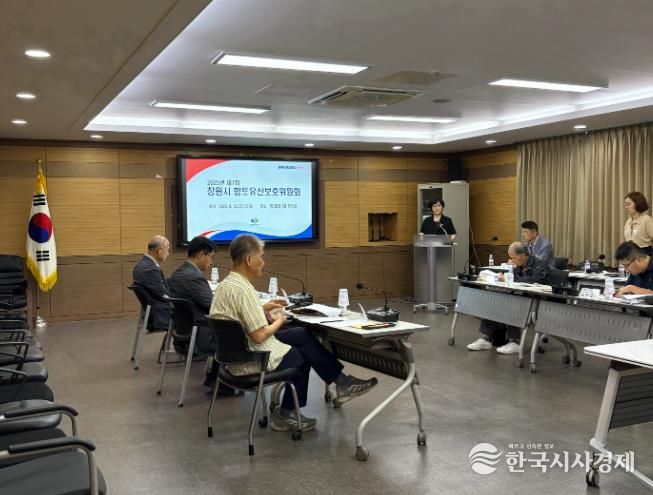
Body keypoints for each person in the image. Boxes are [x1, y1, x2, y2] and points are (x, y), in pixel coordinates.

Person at [210, 234, 377, 432]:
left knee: (301, 334)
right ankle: (287, 414)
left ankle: (342, 383)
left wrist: (262, 308)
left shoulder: (226, 285)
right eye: (261, 256)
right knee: (302, 356)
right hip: (252, 359)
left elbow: (237, 317)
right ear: (248, 259)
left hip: (234, 356)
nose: (264, 262)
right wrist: (280, 320)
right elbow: (259, 336)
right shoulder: (244, 291)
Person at [467, 242, 548, 355]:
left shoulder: (539, 263)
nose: (512, 260)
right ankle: (486, 338)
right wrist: (506, 275)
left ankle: (515, 342)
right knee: (495, 299)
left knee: (513, 302)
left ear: (523, 255)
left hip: (535, 300)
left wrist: (510, 278)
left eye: (513, 258)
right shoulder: (518, 264)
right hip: (519, 294)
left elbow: (535, 280)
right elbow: (513, 278)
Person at [133, 235, 171, 329]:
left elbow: (156, 286)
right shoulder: (150, 269)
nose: (168, 254)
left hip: (153, 309)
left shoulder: (141, 265)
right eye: (167, 250)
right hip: (161, 313)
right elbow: (164, 295)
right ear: (159, 251)